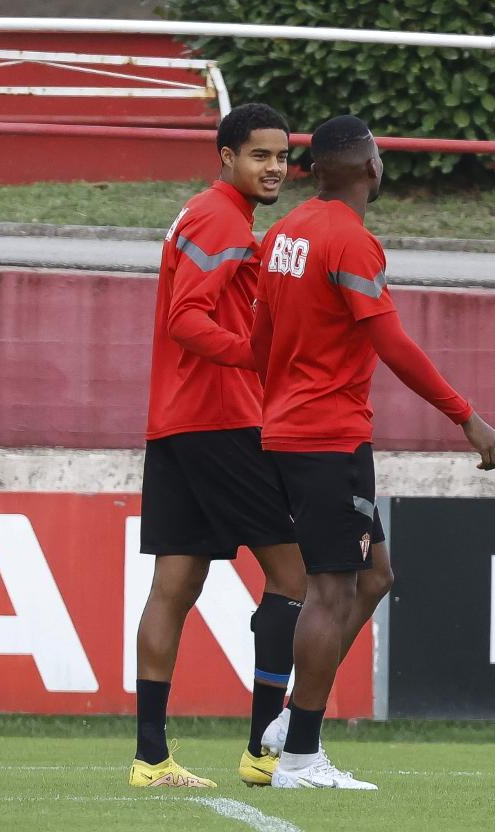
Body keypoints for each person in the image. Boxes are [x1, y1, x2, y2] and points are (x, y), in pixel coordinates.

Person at [252, 114, 495, 790]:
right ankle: (301, 757)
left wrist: (280, 398)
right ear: (370, 167)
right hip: (326, 438)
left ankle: (288, 722)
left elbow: (259, 337)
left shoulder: (283, 234)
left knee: (374, 577)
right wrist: (466, 417)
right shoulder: (351, 242)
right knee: (331, 590)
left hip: (298, 433)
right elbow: (393, 344)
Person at [129, 103, 307, 789]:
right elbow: (186, 320)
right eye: (260, 155)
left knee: (175, 585)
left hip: (176, 422)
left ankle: (151, 759)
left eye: (282, 157)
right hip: (220, 421)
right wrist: (253, 360)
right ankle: (266, 752)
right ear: (226, 157)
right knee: (294, 578)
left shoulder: (213, 216)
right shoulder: (219, 218)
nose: (274, 168)